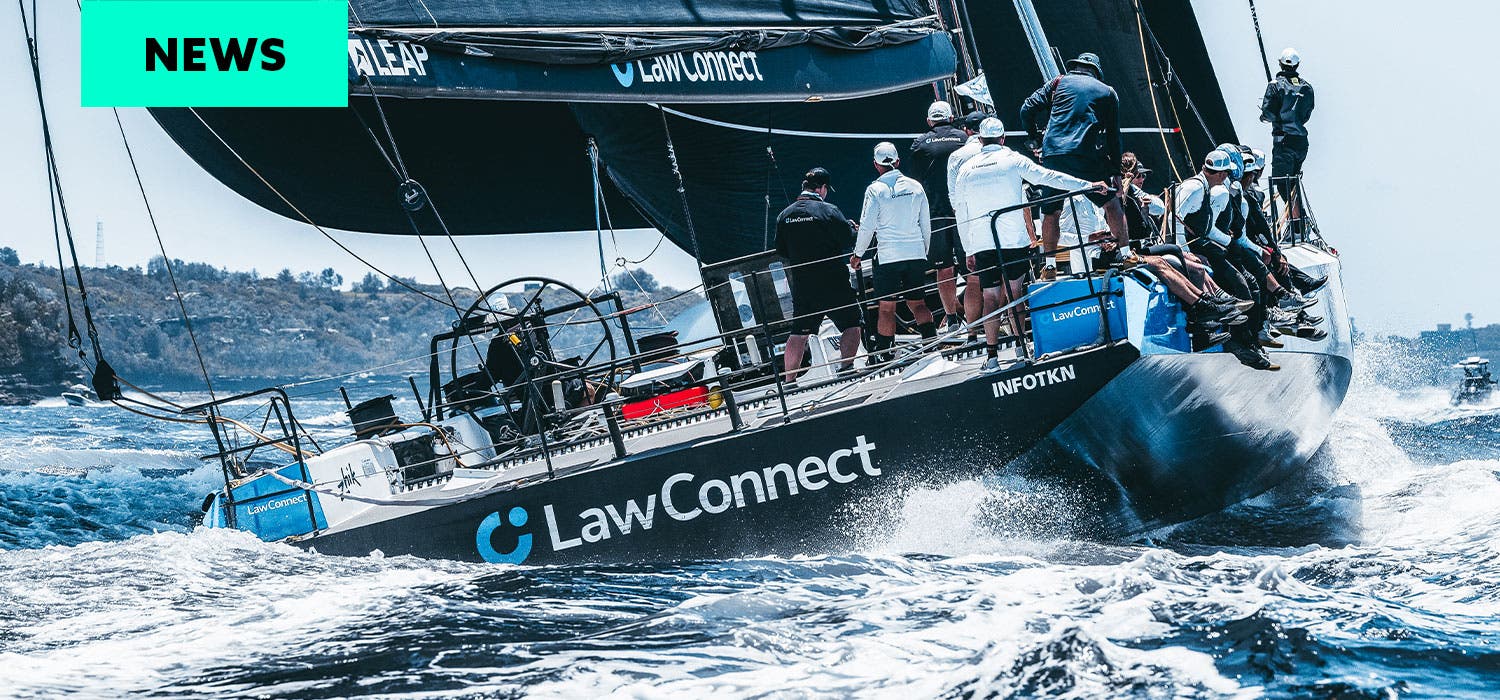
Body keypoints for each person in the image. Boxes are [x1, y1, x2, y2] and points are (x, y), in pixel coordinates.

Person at [1019, 52, 1131, 279]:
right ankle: (1127, 255)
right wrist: (1115, 172)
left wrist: (1035, 139)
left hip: (1053, 156)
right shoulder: (1107, 91)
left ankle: (1050, 267)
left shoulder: (1057, 82)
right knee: (1111, 203)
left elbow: (1026, 108)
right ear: (1095, 72)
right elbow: (1113, 136)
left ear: (1076, 67)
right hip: (1085, 155)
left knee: (1051, 211)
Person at [1171, 150, 1277, 370]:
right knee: (1240, 283)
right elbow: (1174, 218)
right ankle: (1241, 343)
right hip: (1188, 247)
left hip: (1200, 244)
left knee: (1248, 284)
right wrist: (1183, 251)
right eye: (1227, 173)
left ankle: (1250, 338)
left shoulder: (1206, 187)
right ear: (1221, 174)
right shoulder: (1195, 188)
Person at [774, 167, 864, 380]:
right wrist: (853, 228)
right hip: (833, 281)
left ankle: (789, 381)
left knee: (799, 333)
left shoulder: (784, 216)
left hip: (804, 285)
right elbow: (848, 239)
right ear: (822, 188)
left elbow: (781, 250)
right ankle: (846, 369)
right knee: (852, 323)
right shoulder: (829, 210)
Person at [852, 142, 935, 364]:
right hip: (915, 253)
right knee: (918, 303)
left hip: (888, 257)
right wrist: (923, 251)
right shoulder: (916, 186)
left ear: (876, 165)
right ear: (898, 161)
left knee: (887, 307)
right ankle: (931, 345)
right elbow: (925, 224)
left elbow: (867, 226)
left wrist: (858, 254)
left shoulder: (875, 190)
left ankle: (885, 355)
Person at [907, 101, 969, 328]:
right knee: (973, 268)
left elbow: (916, 178)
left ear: (929, 121)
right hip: (963, 211)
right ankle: (978, 317)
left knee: (944, 268)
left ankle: (952, 318)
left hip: (935, 214)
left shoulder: (920, 143)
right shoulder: (964, 138)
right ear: (951, 118)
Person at [1260, 47, 1315, 235]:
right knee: (1292, 183)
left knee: (1283, 184)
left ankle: (1297, 226)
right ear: (1298, 65)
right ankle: (1299, 225)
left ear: (1280, 63)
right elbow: (1306, 115)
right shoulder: (1307, 87)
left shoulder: (1275, 85)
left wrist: (1267, 117)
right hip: (1301, 142)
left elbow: (1268, 113)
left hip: (1283, 142)